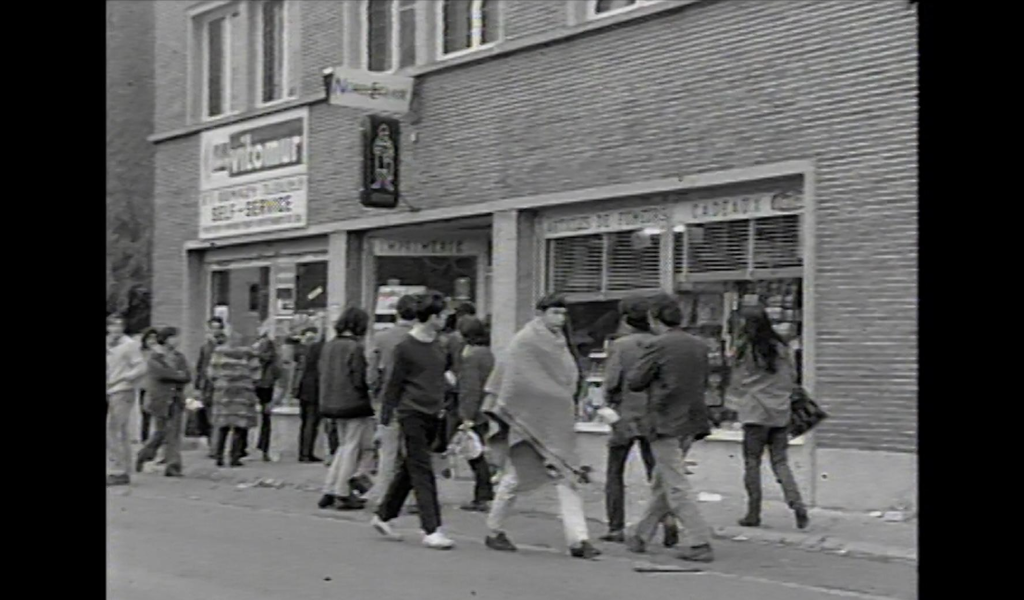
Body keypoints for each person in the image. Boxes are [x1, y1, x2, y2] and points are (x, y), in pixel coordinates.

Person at [482, 294, 601, 560]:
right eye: (554, 313)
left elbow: (567, 378)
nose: (559, 319)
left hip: (556, 421)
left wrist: (565, 399)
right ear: (540, 313)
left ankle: (579, 540)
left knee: (566, 477)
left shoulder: (560, 343)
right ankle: (494, 529)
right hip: (526, 420)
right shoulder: (524, 341)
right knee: (514, 478)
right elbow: (515, 382)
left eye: (563, 314)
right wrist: (552, 397)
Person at [624, 293, 715, 563]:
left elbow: (635, 380)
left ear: (654, 318)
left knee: (674, 483)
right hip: (692, 420)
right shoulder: (698, 345)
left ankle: (700, 540)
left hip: (665, 420)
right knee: (663, 481)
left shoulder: (658, 345)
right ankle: (641, 534)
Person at [370, 292, 456, 550]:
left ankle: (384, 515)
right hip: (411, 413)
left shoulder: (440, 345)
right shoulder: (405, 348)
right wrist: (385, 417)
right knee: (422, 469)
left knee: (411, 466)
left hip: (434, 413)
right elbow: (393, 384)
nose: (445, 320)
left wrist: (448, 398)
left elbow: (444, 375)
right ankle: (431, 528)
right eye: (442, 316)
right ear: (431, 318)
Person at [600, 296, 679, 547]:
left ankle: (615, 526)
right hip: (653, 414)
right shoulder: (662, 343)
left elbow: (612, 381)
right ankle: (667, 520)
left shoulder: (621, 346)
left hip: (625, 414)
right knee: (655, 473)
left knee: (615, 471)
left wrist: (608, 403)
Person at [728, 305, 809, 530]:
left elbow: (738, 380)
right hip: (780, 411)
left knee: (752, 463)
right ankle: (797, 504)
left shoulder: (746, 349)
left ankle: (753, 513)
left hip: (755, 411)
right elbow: (792, 376)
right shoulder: (782, 347)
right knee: (780, 461)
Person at [363, 294, 418, 510]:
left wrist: (374, 393)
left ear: (397, 313)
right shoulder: (422, 339)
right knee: (412, 452)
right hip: (414, 402)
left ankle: (383, 495)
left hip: (387, 401)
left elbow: (371, 375)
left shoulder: (382, 338)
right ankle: (412, 497)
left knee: (387, 452)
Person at [317, 308, 376, 510]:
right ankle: (342, 492)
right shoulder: (355, 348)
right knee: (352, 447)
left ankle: (329, 488)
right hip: (352, 402)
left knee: (343, 446)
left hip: (330, 401)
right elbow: (359, 378)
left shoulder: (329, 345)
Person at [135, 327, 191, 477]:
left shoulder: (179, 357)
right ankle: (143, 454)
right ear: (165, 339)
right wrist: (176, 375)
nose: (177, 341)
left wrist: (178, 376)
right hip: (160, 400)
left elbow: (187, 375)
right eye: (173, 337)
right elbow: (161, 374)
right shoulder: (155, 357)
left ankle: (173, 466)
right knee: (160, 432)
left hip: (176, 399)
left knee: (174, 433)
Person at [454, 316, 495, 513]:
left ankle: (483, 494)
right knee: (480, 452)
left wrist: (466, 416)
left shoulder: (471, 357)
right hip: (487, 408)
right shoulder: (487, 353)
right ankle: (485, 492)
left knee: (474, 454)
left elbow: (470, 389)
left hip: (476, 412)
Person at [208, 331, 261, 468]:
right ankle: (235, 457)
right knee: (240, 426)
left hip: (224, 393)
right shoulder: (249, 354)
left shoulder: (218, 353)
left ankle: (218, 456)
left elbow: (211, 373)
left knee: (223, 426)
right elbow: (256, 375)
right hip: (242, 393)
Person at [107, 314, 147, 486]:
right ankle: (115, 467)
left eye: (119, 325)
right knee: (111, 431)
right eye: (112, 325)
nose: (116, 329)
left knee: (116, 428)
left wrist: (125, 377)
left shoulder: (129, 345)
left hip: (122, 389)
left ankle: (121, 470)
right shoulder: (108, 343)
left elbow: (141, 366)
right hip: (109, 389)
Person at [194, 317, 226, 458]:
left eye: (217, 328)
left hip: (220, 385)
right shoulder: (205, 346)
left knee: (217, 416)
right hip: (206, 386)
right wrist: (198, 386)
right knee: (205, 416)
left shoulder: (225, 345)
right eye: (212, 328)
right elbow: (200, 366)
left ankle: (216, 447)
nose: (215, 331)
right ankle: (211, 444)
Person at [293, 326, 324, 463]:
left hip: (303, 389)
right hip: (314, 390)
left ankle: (304, 452)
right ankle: (306, 453)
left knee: (305, 422)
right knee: (312, 422)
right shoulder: (318, 350)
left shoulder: (303, 353)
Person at [253, 324, 282, 462]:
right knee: (266, 418)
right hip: (266, 386)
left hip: (259, 385)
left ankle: (258, 447)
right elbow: (278, 373)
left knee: (261, 418)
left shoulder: (255, 353)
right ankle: (263, 448)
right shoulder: (273, 356)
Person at [138, 328, 159, 444]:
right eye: (149, 338)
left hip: (157, 387)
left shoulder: (159, 352)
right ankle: (144, 438)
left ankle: (156, 438)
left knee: (157, 413)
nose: (152, 341)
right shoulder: (141, 352)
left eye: (154, 338)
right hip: (144, 386)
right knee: (145, 413)